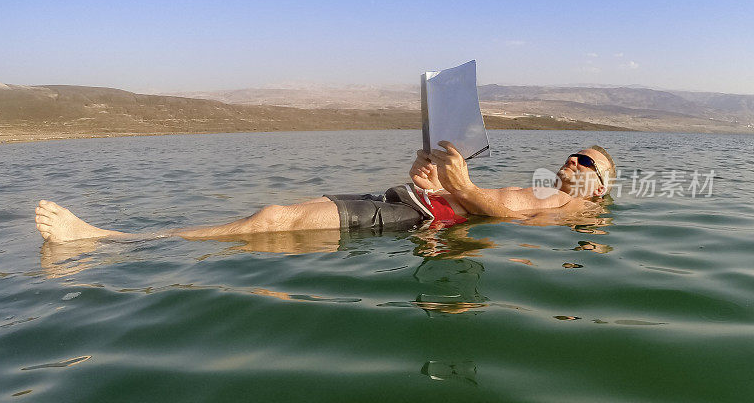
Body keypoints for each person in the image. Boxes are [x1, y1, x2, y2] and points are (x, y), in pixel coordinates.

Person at [34, 141, 615, 243]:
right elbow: (482, 204)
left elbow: (504, 222)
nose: (572, 160)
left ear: (600, 183)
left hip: (416, 224)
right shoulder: (544, 192)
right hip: (417, 204)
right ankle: (120, 237)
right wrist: (440, 179)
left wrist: (458, 188)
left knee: (273, 222)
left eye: (586, 159)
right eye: (572, 153)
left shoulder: (575, 209)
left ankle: (113, 239)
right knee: (276, 215)